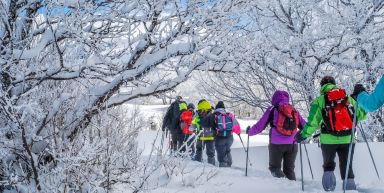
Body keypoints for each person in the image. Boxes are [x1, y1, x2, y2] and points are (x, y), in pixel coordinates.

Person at [295, 76, 366, 191]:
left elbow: (313, 122)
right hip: (348, 138)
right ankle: (350, 190)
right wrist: (356, 99)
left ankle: (329, 189)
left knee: (328, 166)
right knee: (347, 167)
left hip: (328, 140)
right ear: (334, 84)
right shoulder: (347, 98)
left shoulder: (319, 100)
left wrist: (303, 134)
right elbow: (361, 115)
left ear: (322, 86)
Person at [247, 90, 306, 180]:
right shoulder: (294, 110)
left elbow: (260, 126)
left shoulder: (272, 109)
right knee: (289, 170)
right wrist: (303, 135)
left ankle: (282, 187)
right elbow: (304, 126)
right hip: (293, 144)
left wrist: (250, 132)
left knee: (275, 168)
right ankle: (292, 189)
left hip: (276, 144)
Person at [203, 101, 241, 167]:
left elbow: (204, 124)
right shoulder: (229, 114)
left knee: (221, 155)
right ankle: (229, 165)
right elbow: (236, 126)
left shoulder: (213, 115)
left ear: (216, 107)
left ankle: (224, 171)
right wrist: (238, 133)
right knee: (227, 150)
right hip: (230, 137)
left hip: (219, 137)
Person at [190, 99, 216, 165]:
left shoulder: (197, 114)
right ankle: (212, 165)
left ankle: (198, 164)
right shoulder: (212, 113)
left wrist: (192, 129)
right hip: (211, 137)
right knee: (211, 153)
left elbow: (191, 127)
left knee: (199, 150)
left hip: (200, 136)